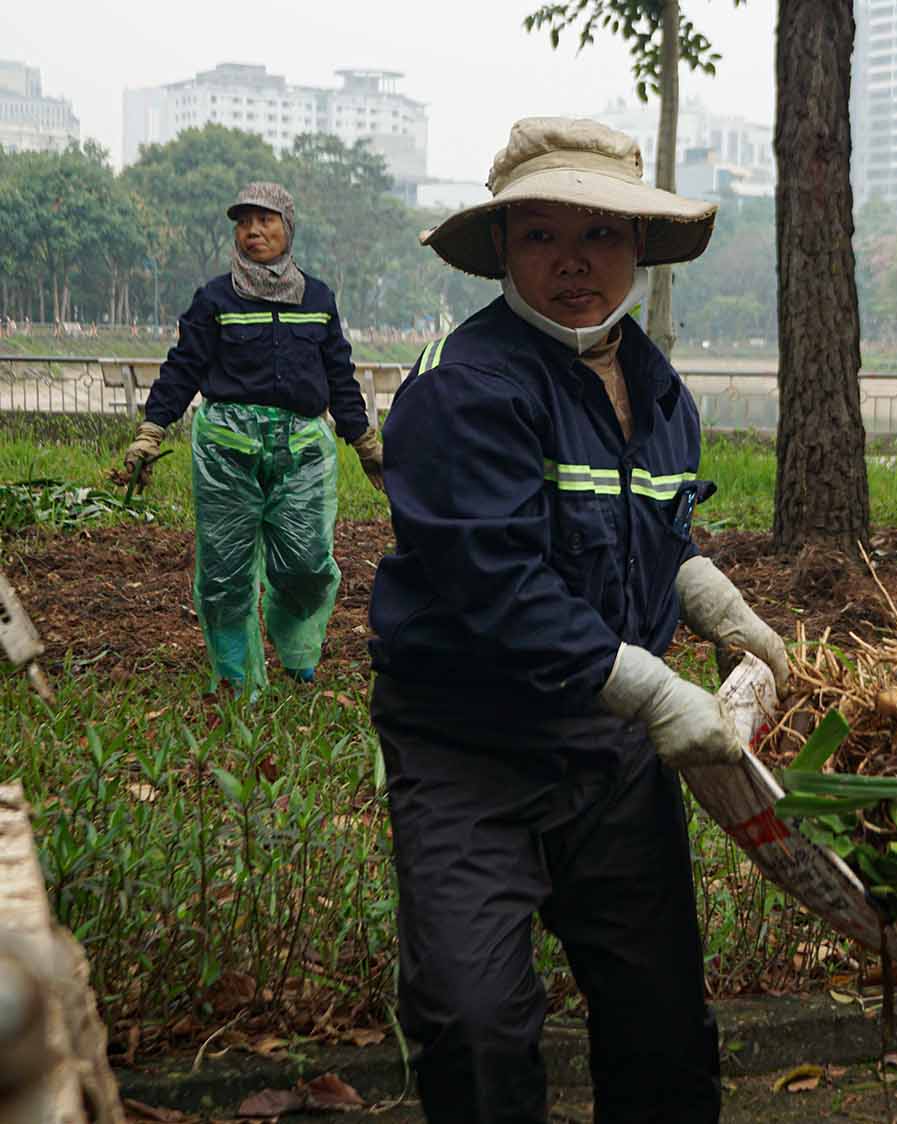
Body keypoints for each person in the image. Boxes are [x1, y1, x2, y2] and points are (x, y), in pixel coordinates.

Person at [368, 118, 791, 1124]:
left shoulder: (660, 391)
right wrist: (653, 684)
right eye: (542, 238)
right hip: (470, 751)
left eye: (601, 236)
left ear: (638, 249)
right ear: (504, 249)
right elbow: (495, 580)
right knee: (474, 1024)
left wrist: (725, 611)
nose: (574, 265)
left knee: (664, 1038)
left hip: (610, 756)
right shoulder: (462, 387)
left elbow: (652, 536)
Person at [122, 182, 382, 693]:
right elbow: (184, 368)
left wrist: (365, 443)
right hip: (227, 450)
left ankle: (299, 649)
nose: (254, 231)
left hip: (302, 450)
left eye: (266, 220)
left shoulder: (318, 298)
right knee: (224, 567)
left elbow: (340, 378)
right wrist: (152, 430)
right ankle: (236, 671)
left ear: (288, 227)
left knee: (308, 561)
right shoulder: (216, 298)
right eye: (244, 223)